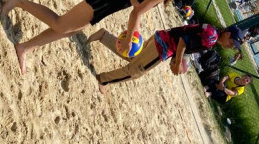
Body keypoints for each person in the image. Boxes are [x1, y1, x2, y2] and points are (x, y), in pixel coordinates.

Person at [0, 0, 203, 74]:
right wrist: (130, 37)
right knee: (60, 24)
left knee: (69, 30)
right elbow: (136, 13)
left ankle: (24, 47)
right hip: (108, 0)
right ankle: (19, 1)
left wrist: (135, 31)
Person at [93, 23, 245, 93]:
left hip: (161, 37)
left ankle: (104, 36)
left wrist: (176, 59)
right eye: (232, 42)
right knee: (134, 71)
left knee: (134, 59)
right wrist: (178, 62)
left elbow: (184, 39)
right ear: (227, 34)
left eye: (233, 46)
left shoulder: (211, 30)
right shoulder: (211, 39)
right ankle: (104, 79)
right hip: (162, 48)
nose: (230, 46)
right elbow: (183, 41)